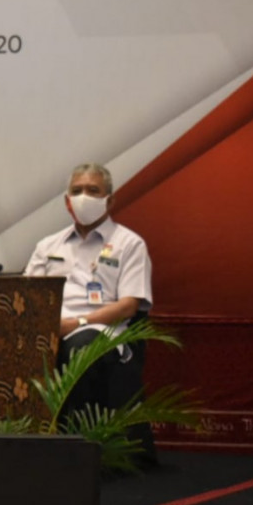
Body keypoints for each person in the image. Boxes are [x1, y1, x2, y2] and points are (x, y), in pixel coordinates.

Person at [24, 162, 155, 460]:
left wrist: (77, 322)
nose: (84, 197)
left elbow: (129, 305)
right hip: (49, 328)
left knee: (81, 347)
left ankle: (77, 452)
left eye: (93, 191)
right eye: (77, 191)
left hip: (102, 330)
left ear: (110, 200)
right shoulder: (48, 245)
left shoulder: (129, 244)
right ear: (67, 201)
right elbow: (28, 294)